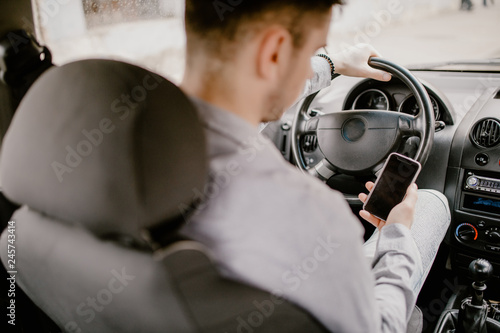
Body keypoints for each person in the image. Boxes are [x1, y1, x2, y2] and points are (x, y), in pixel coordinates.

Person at [179, 1, 451, 332]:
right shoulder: (314, 213)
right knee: (430, 206)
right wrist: (395, 235)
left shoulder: (140, 137)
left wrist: (331, 64)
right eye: (312, 50)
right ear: (274, 52)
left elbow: (246, 101)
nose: (309, 70)